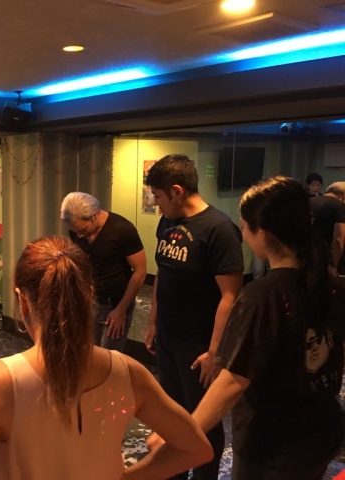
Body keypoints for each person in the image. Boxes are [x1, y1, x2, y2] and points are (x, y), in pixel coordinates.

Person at [0, 236, 213, 480]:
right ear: (88, 295)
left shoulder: (2, 384)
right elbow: (196, 449)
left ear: (22, 301)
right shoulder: (129, 373)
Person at [149, 176, 345, 479]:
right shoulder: (329, 278)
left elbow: (232, 381)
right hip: (322, 428)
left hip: (274, 441)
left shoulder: (263, 294)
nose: (242, 234)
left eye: (244, 227)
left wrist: (182, 435)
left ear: (262, 233)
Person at [144, 154, 244, 480]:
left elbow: (230, 296)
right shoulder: (168, 222)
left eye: (158, 196)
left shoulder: (219, 229)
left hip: (198, 344)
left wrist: (215, 352)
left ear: (176, 191)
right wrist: (153, 321)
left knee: (203, 421)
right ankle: (173, 472)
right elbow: (163, 272)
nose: (156, 204)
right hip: (168, 336)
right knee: (172, 416)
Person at [60, 192, 146, 352]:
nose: (79, 235)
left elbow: (140, 271)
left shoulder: (122, 230)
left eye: (82, 230)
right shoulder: (77, 230)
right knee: (89, 354)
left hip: (115, 303)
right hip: (91, 301)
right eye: (75, 231)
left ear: (94, 216)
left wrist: (121, 310)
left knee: (110, 358)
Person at [309, 181, 345, 271]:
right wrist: (334, 265)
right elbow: (338, 239)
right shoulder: (340, 206)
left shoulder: (308, 202)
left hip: (307, 256)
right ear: (343, 196)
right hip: (326, 258)